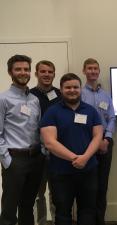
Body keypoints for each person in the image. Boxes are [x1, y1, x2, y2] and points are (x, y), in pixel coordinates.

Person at [40, 73, 103, 225]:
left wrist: (85, 158)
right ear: (61, 90)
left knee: (88, 210)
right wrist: (75, 159)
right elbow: (49, 142)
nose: (72, 90)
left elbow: (97, 136)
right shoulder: (52, 112)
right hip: (61, 172)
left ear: (80, 89)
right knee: (62, 213)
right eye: (68, 87)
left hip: (88, 170)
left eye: (75, 87)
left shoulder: (91, 111)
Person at [0, 54, 45, 225]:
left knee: (27, 206)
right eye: (18, 69)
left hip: (35, 158)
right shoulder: (3, 99)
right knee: (10, 209)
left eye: (26, 69)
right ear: (10, 72)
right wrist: (7, 160)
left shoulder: (34, 100)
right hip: (15, 159)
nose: (23, 72)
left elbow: (38, 129)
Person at [81, 58, 116, 225]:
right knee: (87, 187)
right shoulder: (79, 93)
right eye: (89, 68)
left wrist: (107, 139)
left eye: (95, 68)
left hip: (105, 145)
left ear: (98, 71)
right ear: (84, 71)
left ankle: (100, 221)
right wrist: (94, 141)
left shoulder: (106, 95)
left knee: (102, 187)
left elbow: (112, 118)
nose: (93, 71)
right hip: (85, 145)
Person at [30, 60, 61, 225]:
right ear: (36, 74)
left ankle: (58, 221)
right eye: (43, 71)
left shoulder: (61, 94)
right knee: (38, 193)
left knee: (56, 192)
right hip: (36, 153)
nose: (47, 74)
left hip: (57, 152)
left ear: (54, 74)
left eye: (50, 72)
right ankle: (41, 222)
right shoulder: (29, 95)